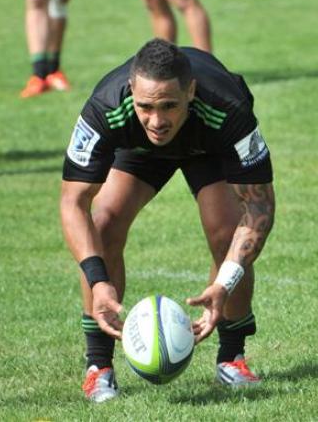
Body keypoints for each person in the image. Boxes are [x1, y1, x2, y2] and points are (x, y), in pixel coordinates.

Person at [60, 38, 275, 402]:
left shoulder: (227, 107)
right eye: (145, 106)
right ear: (131, 92)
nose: (157, 120)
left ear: (191, 92)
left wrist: (226, 281)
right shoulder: (106, 107)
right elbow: (72, 202)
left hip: (208, 145)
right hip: (139, 150)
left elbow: (259, 208)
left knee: (226, 234)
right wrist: (98, 282)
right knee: (105, 222)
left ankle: (232, 358)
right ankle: (99, 366)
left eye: (169, 106)